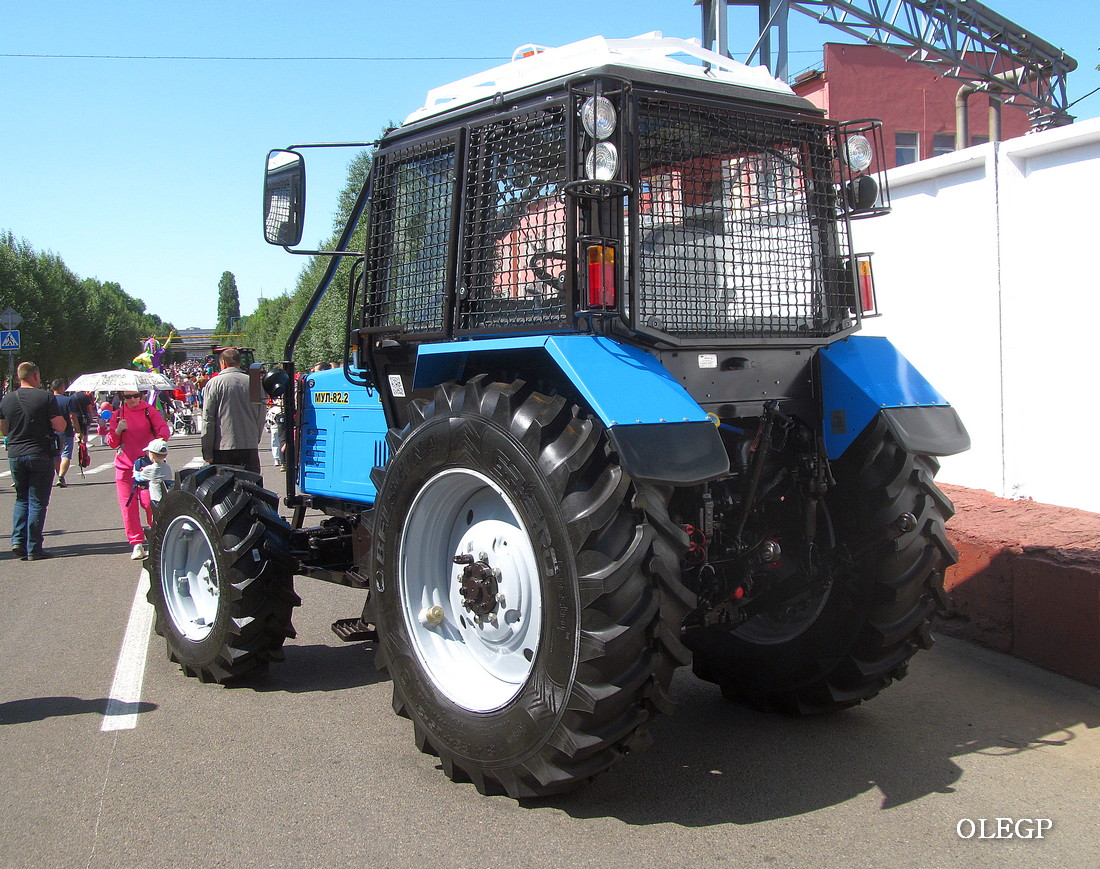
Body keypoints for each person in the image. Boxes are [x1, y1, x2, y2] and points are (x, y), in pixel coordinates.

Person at [0, 362, 66, 559]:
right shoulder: (45, 397)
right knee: (37, 501)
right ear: (35, 376)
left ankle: (17, 540)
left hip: (16, 454)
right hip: (39, 452)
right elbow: (60, 426)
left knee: (21, 498)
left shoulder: (7, 400)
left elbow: (4, 430)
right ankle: (34, 547)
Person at [107, 389, 170, 560]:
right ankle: (136, 543)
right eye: (128, 397)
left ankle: (157, 538)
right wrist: (118, 430)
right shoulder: (118, 415)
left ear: (141, 395)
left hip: (146, 465)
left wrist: (157, 445)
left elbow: (163, 430)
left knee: (150, 503)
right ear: (122, 397)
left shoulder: (149, 411)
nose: (133, 399)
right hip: (125, 466)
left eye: (136, 395)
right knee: (128, 508)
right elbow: (112, 443)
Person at [201, 347, 264, 473]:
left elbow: (208, 418)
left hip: (222, 445)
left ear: (223, 363)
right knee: (252, 487)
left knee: (225, 488)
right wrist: (255, 437)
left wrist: (207, 450)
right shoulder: (254, 382)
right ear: (239, 363)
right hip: (249, 444)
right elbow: (261, 414)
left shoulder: (214, 383)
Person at [49, 379, 77, 487]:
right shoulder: (68, 400)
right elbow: (72, 416)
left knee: (56, 455)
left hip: (52, 431)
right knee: (66, 454)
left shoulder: (48, 400)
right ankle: (61, 476)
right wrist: (78, 430)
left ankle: (58, 475)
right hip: (66, 431)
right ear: (61, 388)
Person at [132, 438, 174, 507]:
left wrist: (136, 470)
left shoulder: (150, 469)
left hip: (156, 499)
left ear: (151, 455)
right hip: (167, 497)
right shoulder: (167, 467)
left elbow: (138, 478)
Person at [265, 398, 285, 467]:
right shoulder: (281, 409)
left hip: (274, 427)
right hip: (280, 427)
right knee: (281, 442)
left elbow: (268, 419)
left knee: (275, 443)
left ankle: (276, 459)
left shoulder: (272, 410)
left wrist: (268, 428)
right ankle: (280, 458)